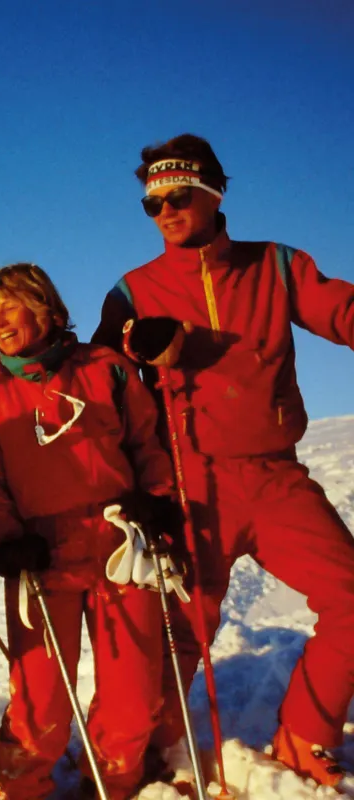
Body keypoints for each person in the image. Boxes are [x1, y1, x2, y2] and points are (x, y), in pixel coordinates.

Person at [92, 132, 354, 788]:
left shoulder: (275, 265)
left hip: (274, 474)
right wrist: (135, 347)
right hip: (189, 481)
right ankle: (158, 750)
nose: (167, 212)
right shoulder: (135, 288)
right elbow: (100, 379)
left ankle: (306, 740)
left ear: (213, 191)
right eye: (152, 205)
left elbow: (343, 310)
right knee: (179, 631)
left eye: (179, 196)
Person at [0, 263, 176, 800]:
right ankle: (21, 788)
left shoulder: (104, 368)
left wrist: (158, 500)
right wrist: (3, 539)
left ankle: (115, 783)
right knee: (42, 696)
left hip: (122, 542)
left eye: (10, 306)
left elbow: (146, 442)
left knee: (134, 687)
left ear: (48, 309)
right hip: (39, 555)